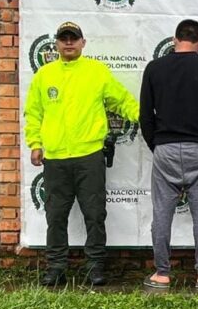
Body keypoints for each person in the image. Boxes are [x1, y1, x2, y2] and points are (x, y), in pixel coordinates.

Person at [24, 21, 140, 287]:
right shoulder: (44, 75)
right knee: (55, 216)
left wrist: (149, 117)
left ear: (82, 43)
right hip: (55, 158)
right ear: (56, 43)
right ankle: (56, 268)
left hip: (90, 156)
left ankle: (95, 267)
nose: (68, 43)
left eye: (73, 38)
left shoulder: (96, 72)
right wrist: (35, 143)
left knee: (95, 213)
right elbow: (34, 113)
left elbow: (121, 101)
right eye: (63, 38)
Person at [139, 19, 198, 291]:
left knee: (161, 214)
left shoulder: (154, 68)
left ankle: (162, 274)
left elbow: (145, 114)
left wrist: (157, 144)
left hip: (165, 147)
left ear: (174, 40)